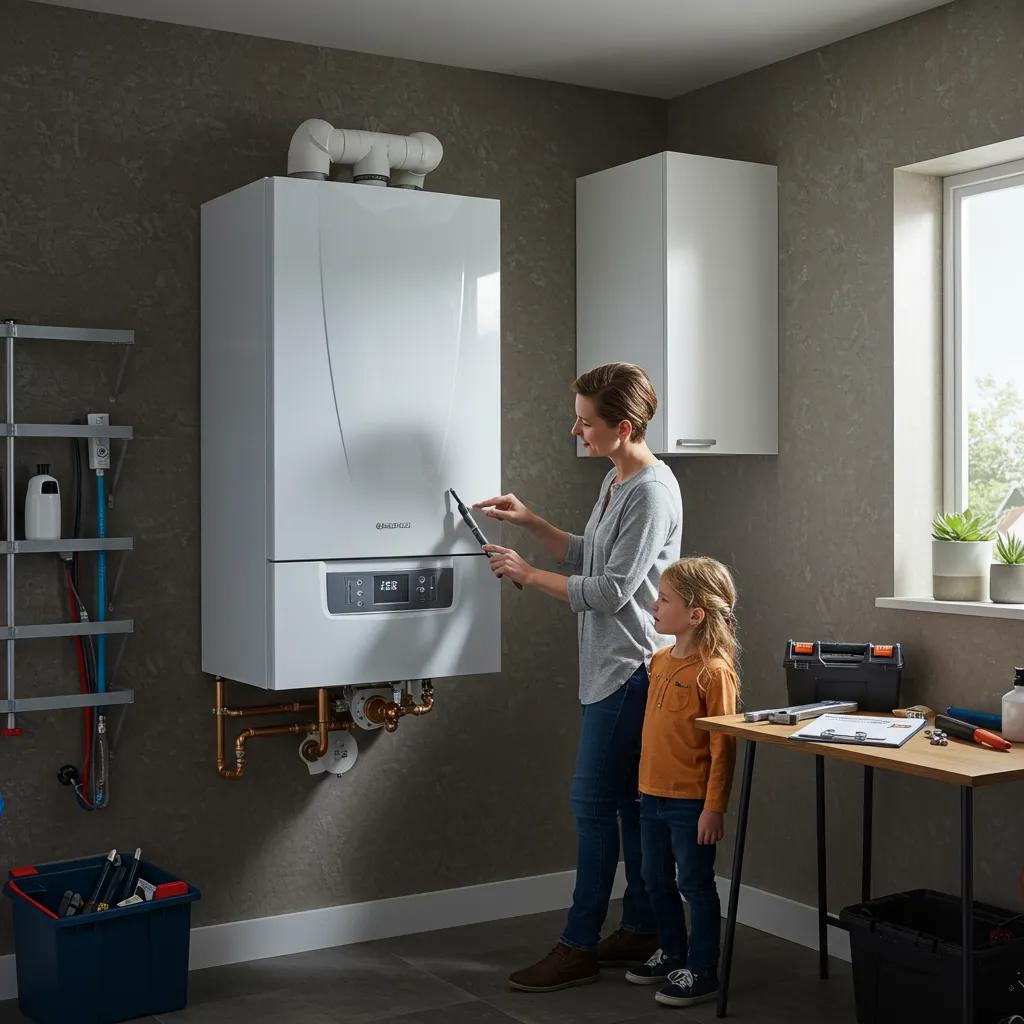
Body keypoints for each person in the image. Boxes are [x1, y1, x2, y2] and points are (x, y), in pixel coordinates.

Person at [473, 362, 683, 992]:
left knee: (592, 807)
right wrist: (531, 523)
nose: (577, 430)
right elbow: (597, 556)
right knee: (622, 807)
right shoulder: (618, 479)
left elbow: (616, 590)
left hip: (629, 670)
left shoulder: (650, 491)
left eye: (587, 422)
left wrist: (527, 574)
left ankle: (578, 944)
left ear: (623, 427)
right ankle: (643, 927)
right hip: (608, 669)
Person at [623, 556, 739, 1008]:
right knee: (655, 879)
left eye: (664, 599)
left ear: (695, 614)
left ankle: (703, 969)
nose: (654, 605)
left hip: (691, 803)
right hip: (650, 796)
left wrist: (714, 806)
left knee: (695, 883)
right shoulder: (659, 659)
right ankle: (673, 953)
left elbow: (722, 747)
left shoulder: (715, 671)